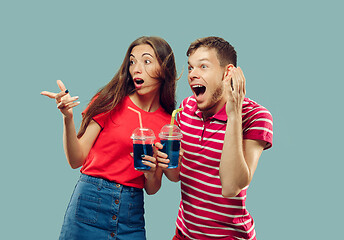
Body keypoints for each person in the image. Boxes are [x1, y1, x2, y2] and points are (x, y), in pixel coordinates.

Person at [41, 36, 177, 240]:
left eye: (146, 61)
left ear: (164, 69)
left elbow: (152, 189)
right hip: (90, 202)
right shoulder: (110, 100)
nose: (136, 69)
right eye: (132, 61)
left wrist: (151, 173)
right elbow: (76, 160)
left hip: (132, 212)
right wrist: (67, 119)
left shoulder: (168, 123)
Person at [157, 36, 273, 239]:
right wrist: (162, 160)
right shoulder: (185, 109)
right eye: (191, 68)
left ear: (227, 73)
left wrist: (234, 115)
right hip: (184, 234)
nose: (193, 74)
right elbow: (175, 176)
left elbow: (231, 187)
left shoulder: (256, 116)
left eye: (203, 66)